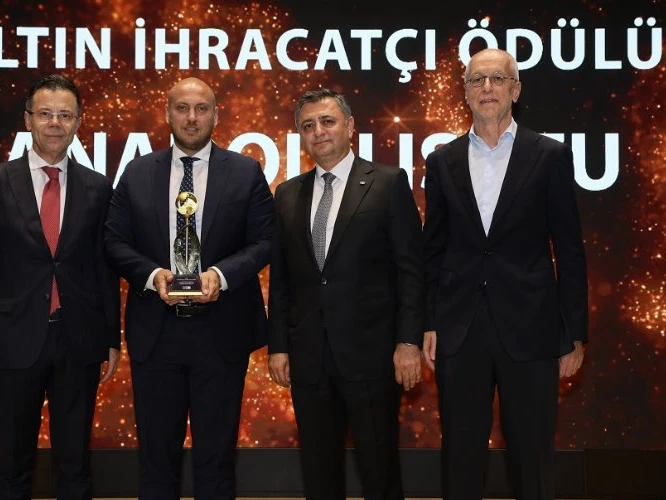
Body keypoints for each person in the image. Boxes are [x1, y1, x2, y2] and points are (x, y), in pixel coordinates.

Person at [420, 48, 588, 500]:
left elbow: (569, 249)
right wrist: (429, 321)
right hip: (459, 329)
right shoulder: (442, 160)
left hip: (532, 327)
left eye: (497, 78)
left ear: (516, 89)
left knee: (533, 456)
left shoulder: (549, 155)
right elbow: (432, 251)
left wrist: (574, 333)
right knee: (461, 457)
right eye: (477, 80)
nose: (487, 88)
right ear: (465, 93)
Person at [103, 77, 274, 499]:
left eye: (201, 108)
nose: (192, 117)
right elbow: (113, 241)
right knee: (156, 461)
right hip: (156, 333)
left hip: (221, 333)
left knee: (216, 461)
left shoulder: (246, 172)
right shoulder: (137, 172)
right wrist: (152, 275)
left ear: (216, 115)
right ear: (167, 113)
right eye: (182, 108)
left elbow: (266, 240)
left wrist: (221, 274)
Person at [0, 74, 121, 499]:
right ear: (28, 119)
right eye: (45, 114)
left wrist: (110, 339)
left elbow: (104, 269)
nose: (55, 123)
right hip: (11, 341)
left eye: (65, 115)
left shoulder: (98, 187)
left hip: (78, 341)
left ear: (78, 122)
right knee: (13, 463)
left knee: (75, 464)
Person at [268, 88, 425, 500]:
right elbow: (282, 280)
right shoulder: (287, 194)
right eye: (308, 125)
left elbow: (411, 271)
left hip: (372, 356)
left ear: (350, 126)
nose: (318, 131)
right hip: (309, 359)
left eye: (327, 121)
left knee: (379, 472)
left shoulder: (388, 183)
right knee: (319, 475)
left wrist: (409, 342)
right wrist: (278, 346)